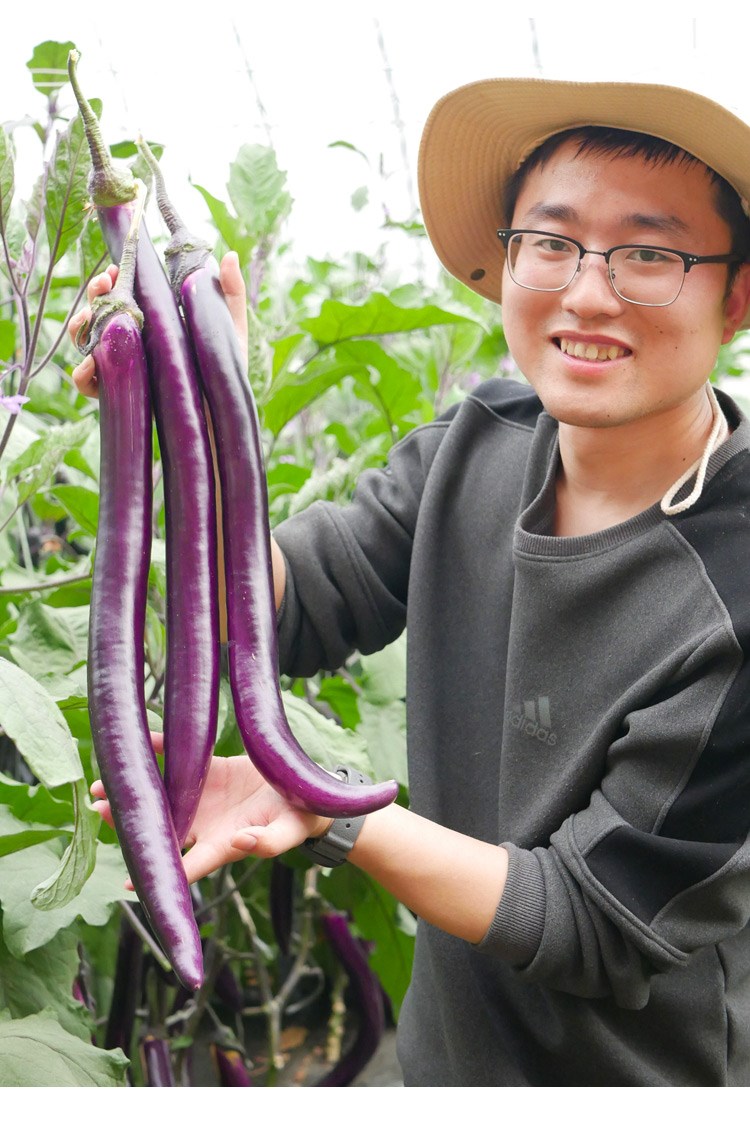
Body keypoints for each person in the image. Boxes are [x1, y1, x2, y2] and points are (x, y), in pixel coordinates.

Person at [72, 77, 750, 1086]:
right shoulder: (477, 445)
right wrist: (193, 411)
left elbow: (593, 920)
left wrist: (331, 807)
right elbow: (287, 606)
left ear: (737, 297)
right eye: (552, 242)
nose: (588, 292)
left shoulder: (734, 587)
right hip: (441, 1066)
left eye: (650, 252)